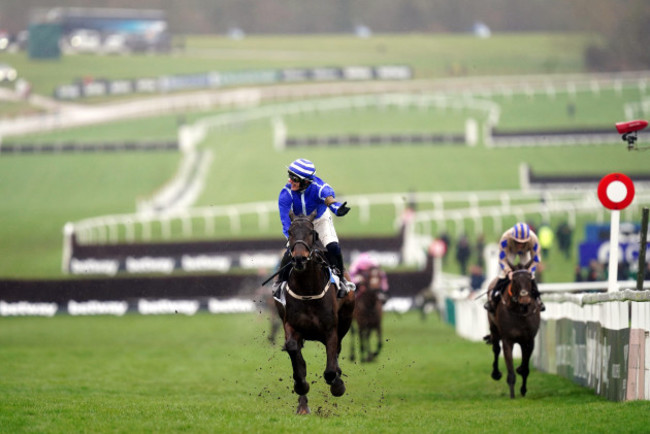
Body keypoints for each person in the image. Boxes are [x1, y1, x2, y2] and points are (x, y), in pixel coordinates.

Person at [273, 158, 355, 299]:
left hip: (320, 220)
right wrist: (292, 238)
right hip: (299, 225)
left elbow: (330, 200)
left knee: (333, 247)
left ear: (306, 181)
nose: (289, 181)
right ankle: (280, 284)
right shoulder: (286, 193)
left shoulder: (320, 187)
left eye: (294, 178)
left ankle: (342, 280)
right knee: (290, 251)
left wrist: (337, 209)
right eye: (289, 176)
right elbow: (285, 221)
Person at [484, 222, 545, 313]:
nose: (520, 245)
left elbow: (536, 259)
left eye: (522, 243)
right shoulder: (505, 238)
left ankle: (538, 299)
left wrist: (530, 271)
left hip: (525, 253)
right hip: (510, 252)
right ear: (513, 238)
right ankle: (494, 296)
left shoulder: (534, 239)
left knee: (530, 276)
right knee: (503, 274)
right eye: (517, 242)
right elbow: (502, 260)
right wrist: (508, 272)